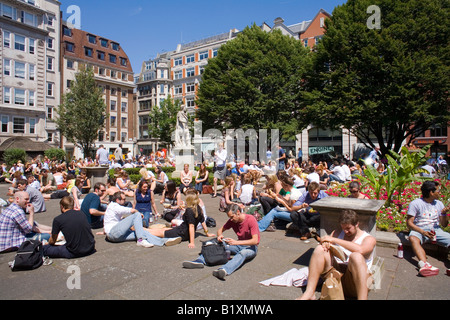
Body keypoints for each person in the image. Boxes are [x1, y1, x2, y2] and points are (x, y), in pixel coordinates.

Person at [298, 210, 376, 300]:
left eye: (348, 228)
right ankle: (310, 293)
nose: (345, 231)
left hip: (355, 283)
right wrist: (325, 243)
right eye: (343, 228)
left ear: (357, 224)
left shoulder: (369, 239)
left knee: (356, 256)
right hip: (335, 277)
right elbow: (325, 244)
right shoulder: (337, 233)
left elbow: (361, 250)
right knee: (320, 249)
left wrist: (334, 240)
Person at [182, 203, 260, 280]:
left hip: (251, 247)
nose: (231, 219)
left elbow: (255, 241)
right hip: (238, 245)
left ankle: (224, 270)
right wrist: (220, 236)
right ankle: (200, 260)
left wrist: (236, 242)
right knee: (217, 244)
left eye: (232, 217)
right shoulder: (232, 221)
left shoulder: (251, 219)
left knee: (243, 253)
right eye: (229, 217)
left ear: (238, 212)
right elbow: (220, 230)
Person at [406, 181, 450, 277]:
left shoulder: (439, 204)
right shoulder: (415, 203)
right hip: (419, 229)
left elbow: (444, 224)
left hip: (436, 230)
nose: (439, 192)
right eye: (438, 190)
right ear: (431, 192)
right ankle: (424, 264)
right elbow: (409, 223)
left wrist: (444, 214)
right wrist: (423, 232)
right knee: (413, 238)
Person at [147, 192, 214, 248]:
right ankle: (143, 230)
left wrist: (192, 242)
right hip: (183, 229)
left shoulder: (189, 210)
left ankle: (143, 231)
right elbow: (202, 222)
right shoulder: (198, 208)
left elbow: (191, 226)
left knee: (160, 233)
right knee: (165, 230)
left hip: (183, 232)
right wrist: (207, 233)